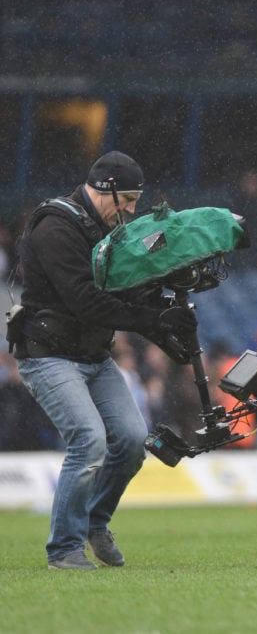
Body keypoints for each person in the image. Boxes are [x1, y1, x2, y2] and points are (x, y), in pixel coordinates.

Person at [9, 151, 198, 570]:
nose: (130, 211)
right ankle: (64, 548)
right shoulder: (56, 225)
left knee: (132, 441)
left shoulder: (105, 227)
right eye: (127, 200)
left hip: (93, 354)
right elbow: (87, 302)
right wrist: (154, 319)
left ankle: (95, 524)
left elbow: (125, 292)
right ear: (105, 189)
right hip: (48, 354)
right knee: (89, 440)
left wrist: (165, 320)